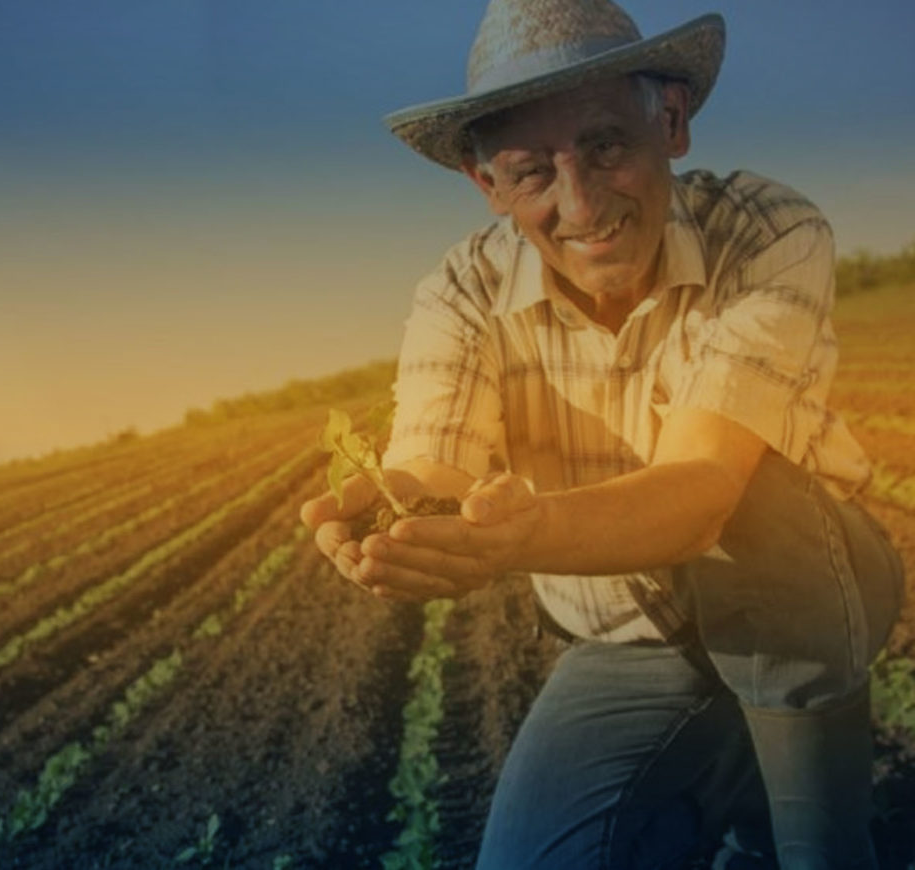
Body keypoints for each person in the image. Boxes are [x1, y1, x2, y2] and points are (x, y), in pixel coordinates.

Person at [300, 0, 906, 867]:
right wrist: (415, 512)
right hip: (628, 637)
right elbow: (437, 456)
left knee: (761, 499)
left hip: (807, 600)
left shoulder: (765, 231)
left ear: (670, 121)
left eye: (606, 145)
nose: (580, 203)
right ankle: (730, 799)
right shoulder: (461, 295)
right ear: (489, 186)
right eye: (532, 171)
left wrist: (530, 533)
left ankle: (808, 833)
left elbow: (703, 493)